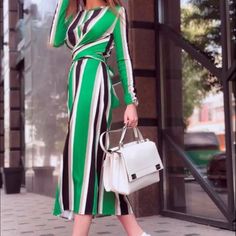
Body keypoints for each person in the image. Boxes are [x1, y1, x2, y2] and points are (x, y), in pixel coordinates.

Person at [49, 0, 150, 235]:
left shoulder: (115, 13)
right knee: (96, 160)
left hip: (95, 82)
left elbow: (124, 59)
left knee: (83, 158)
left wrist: (130, 101)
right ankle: (137, 233)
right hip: (76, 86)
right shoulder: (75, 17)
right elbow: (55, 38)